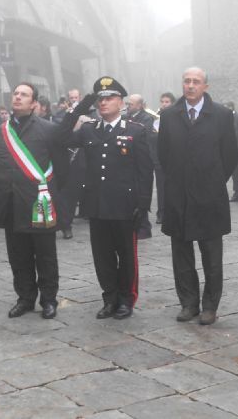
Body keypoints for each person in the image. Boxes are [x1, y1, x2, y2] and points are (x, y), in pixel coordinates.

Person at [61, 77, 154, 319]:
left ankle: (126, 299)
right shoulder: (89, 129)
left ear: (121, 102)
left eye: (109, 98)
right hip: (97, 205)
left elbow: (145, 171)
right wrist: (82, 106)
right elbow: (61, 137)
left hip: (125, 206)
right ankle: (109, 298)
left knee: (126, 256)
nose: (103, 103)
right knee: (102, 257)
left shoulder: (135, 130)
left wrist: (142, 206)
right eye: (100, 99)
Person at [158, 67, 237, 325]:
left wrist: (213, 180)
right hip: (178, 197)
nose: (190, 85)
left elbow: (230, 156)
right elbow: (163, 154)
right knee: (181, 255)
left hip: (209, 197)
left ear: (206, 86)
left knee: (212, 256)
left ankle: (210, 306)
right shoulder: (169, 115)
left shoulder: (222, 115)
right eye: (186, 81)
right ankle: (188, 303)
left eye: (196, 82)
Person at [0, 82, 69, 319]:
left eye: (24, 95)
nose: (18, 97)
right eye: (15, 94)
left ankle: (48, 299)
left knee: (45, 255)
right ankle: (25, 298)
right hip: (12, 204)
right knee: (18, 256)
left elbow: (62, 169)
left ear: (34, 103)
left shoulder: (48, 130)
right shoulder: (0, 132)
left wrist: (49, 193)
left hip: (39, 205)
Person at [124, 94, 155, 239]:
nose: (127, 106)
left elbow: (143, 135)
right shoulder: (126, 117)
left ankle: (143, 227)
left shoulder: (146, 118)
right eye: (127, 103)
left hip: (142, 158)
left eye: (130, 104)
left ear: (139, 105)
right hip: (129, 159)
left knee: (142, 192)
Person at [57, 88, 87, 240]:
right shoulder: (60, 115)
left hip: (79, 160)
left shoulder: (89, 115)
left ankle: (67, 222)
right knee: (62, 196)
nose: (74, 100)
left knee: (72, 195)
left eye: (76, 97)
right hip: (63, 158)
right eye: (71, 97)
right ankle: (65, 225)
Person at [153, 92, 175, 223]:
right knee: (161, 187)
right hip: (159, 158)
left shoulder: (176, 115)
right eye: (162, 101)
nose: (164, 104)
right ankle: (161, 212)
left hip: (174, 157)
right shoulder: (156, 116)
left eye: (167, 102)